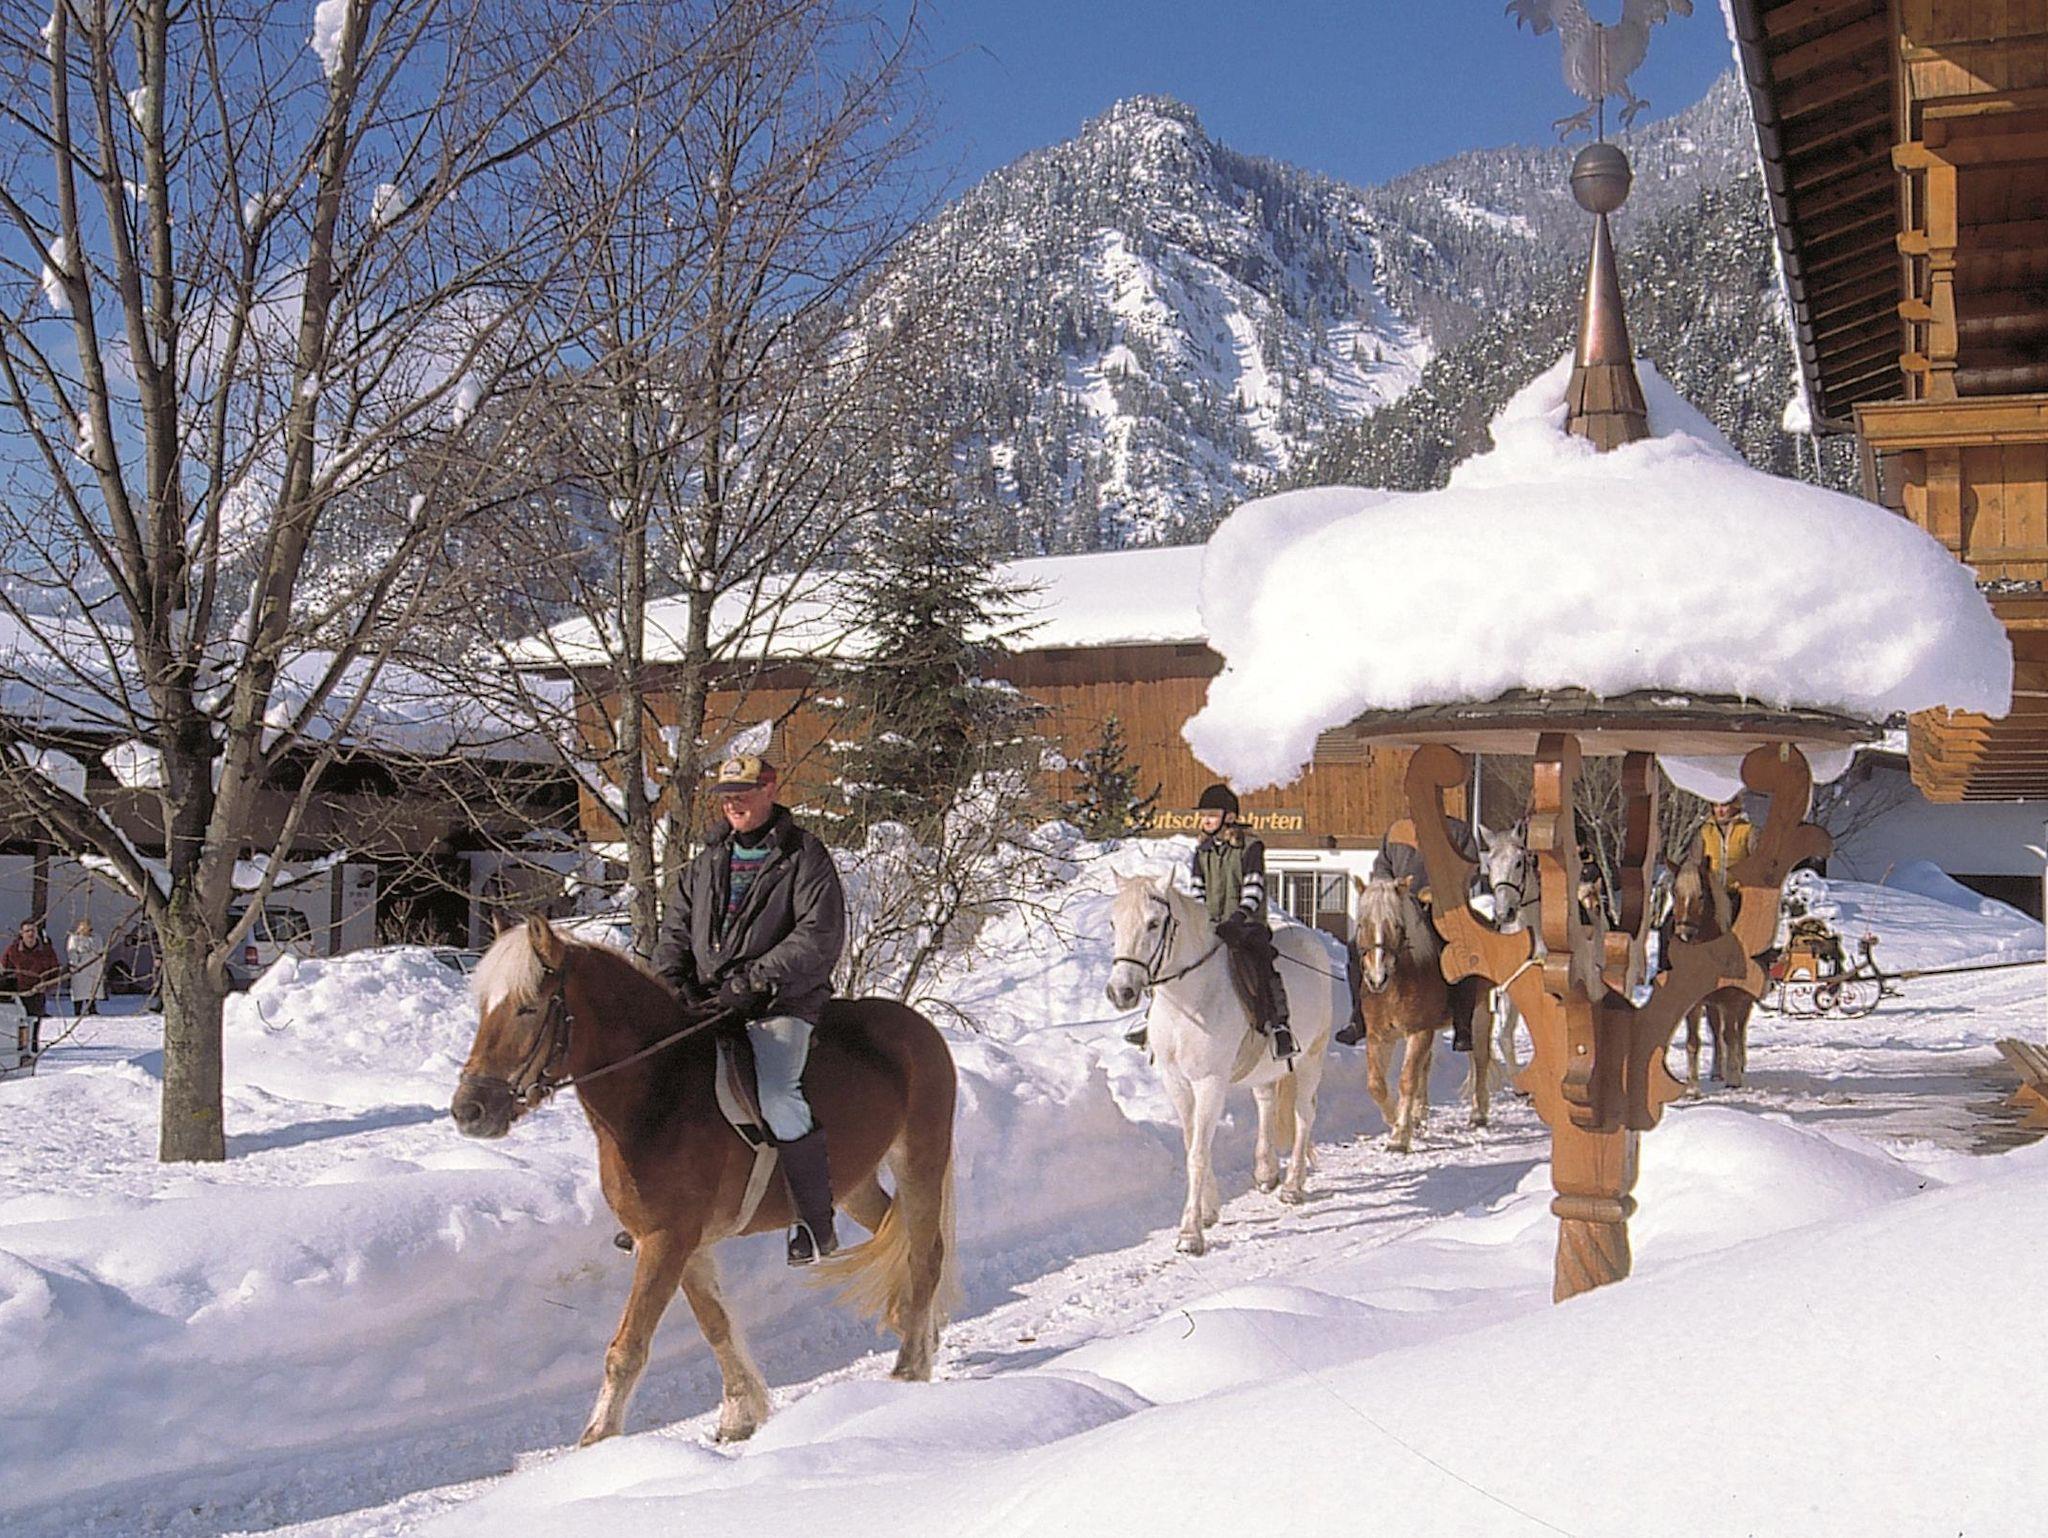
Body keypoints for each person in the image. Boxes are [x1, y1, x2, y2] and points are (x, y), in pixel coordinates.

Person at [652, 754, 848, 1266]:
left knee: (778, 1094)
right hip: (711, 999)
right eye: (725, 796)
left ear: (770, 790)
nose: (733, 803)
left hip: (781, 999)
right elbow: (675, 928)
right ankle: (658, 1210)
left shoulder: (805, 855)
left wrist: (756, 979)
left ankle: (814, 1220)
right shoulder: (708, 859)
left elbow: (818, 935)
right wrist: (671, 979)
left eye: (743, 793)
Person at [1127, 783, 1295, 1061]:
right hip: (1212, 925)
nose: (1205, 820)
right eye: (1203, 815)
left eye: (1211, 815)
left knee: (1260, 963)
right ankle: (1151, 1022)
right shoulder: (1202, 851)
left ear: (1230, 817)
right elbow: (1197, 892)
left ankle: (1278, 1025)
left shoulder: (1251, 847)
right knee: (1172, 958)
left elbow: (1254, 888)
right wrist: (1204, 920)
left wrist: (1238, 918)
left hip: (1247, 924)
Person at [1341, 818, 1485, 1049]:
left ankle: (1461, 1023)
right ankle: (1358, 1017)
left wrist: (1441, 890)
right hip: (1399, 906)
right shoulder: (1397, 830)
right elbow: (1382, 867)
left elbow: (1471, 871)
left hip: (1439, 907)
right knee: (1357, 947)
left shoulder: (1457, 831)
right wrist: (1390, 890)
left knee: (1461, 949)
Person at [3, 917, 62, 1055]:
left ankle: (33, 1054)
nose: (30, 934)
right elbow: (4, 970)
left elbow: (55, 972)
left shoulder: (46, 951)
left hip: (37, 994)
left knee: (34, 1025)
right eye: (27, 931)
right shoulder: (13, 950)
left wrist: (47, 986)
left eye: (33, 931)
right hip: (18, 994)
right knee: (17, 1026)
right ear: (21, 933)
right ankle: (16, 1053)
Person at [68, 918, 105, 1017]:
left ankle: (91, 1007)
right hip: (80, 967)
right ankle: (77, 1009)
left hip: (93, 967)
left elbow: (101, 950)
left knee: (91, 989)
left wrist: (99, 963)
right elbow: (72, 952)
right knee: (79, 990)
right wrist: (75, 964)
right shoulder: (75, 938)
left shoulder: (96, 938)